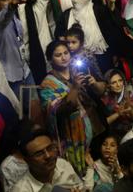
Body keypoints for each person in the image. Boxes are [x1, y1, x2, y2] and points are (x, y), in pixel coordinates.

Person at [40, 39, 96, 177]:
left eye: (66, 53)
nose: (64, 57)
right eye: (58, 55)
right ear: (50, 59)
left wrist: (94, 84)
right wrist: (75, 88)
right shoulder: (48, 84)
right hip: (70, 138)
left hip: (92, 131)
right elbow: (59, 111)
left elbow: (99, 93)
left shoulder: (77, 71)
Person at [11, 128, 89, 192]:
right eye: (39, 154)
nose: (48, 156)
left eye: (50, 148)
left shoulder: (62, 164)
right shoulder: (20, 189)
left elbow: (80, 186)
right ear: (27, 160)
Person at [104, 69, 133, 136]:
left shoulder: (132, 93)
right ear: (108, 85)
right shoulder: (107, 98)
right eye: (113, 82)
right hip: (119, 134)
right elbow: (104, 122)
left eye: (120, 80)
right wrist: (117, 114)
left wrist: (130, 110)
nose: (118, 85)